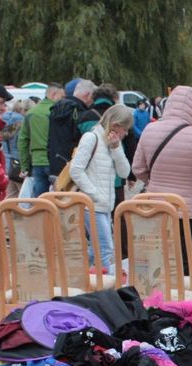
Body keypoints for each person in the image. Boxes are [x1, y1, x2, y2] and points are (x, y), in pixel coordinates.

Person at [131, 85, 192, 272]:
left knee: (157, 260)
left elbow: (137, 168)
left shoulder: (149, 130)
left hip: (156, 207)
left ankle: (158, 297)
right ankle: (182, 298)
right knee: (184, 262)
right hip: (188, 211)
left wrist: (153, 183)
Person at [70, 104, 132, 271]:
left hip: (104, 205)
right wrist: (94, 194)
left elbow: (124, 172)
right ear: (115, 125)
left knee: (95, 249)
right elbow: (75, 170)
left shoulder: (112, 143)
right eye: (124, 129)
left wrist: (117, 148)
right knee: (106, 249)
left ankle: (77, 277)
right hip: (93, 205)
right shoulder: (92, 138)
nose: (125, 133)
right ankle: (111, 287)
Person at [18, 84, 62, 196]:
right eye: (62, 97)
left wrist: (24, 166)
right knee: (58, 199)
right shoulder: (59, 111)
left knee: (40, 200)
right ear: (54, 94)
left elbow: (23, 140)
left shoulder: (31, 113)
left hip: (37, 161)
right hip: (56, 161)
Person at [48, 79, 94, 175]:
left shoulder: (55, 109)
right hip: (72, 165)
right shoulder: (80, 112)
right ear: (87, 95)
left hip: (55, 162)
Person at [0, 98, 30, 198]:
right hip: (18, 163)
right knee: (23, 196)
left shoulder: (2, 120)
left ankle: (7, 214)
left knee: (9, 196)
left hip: (4, 164)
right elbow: (22, 145)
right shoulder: (23, 122)